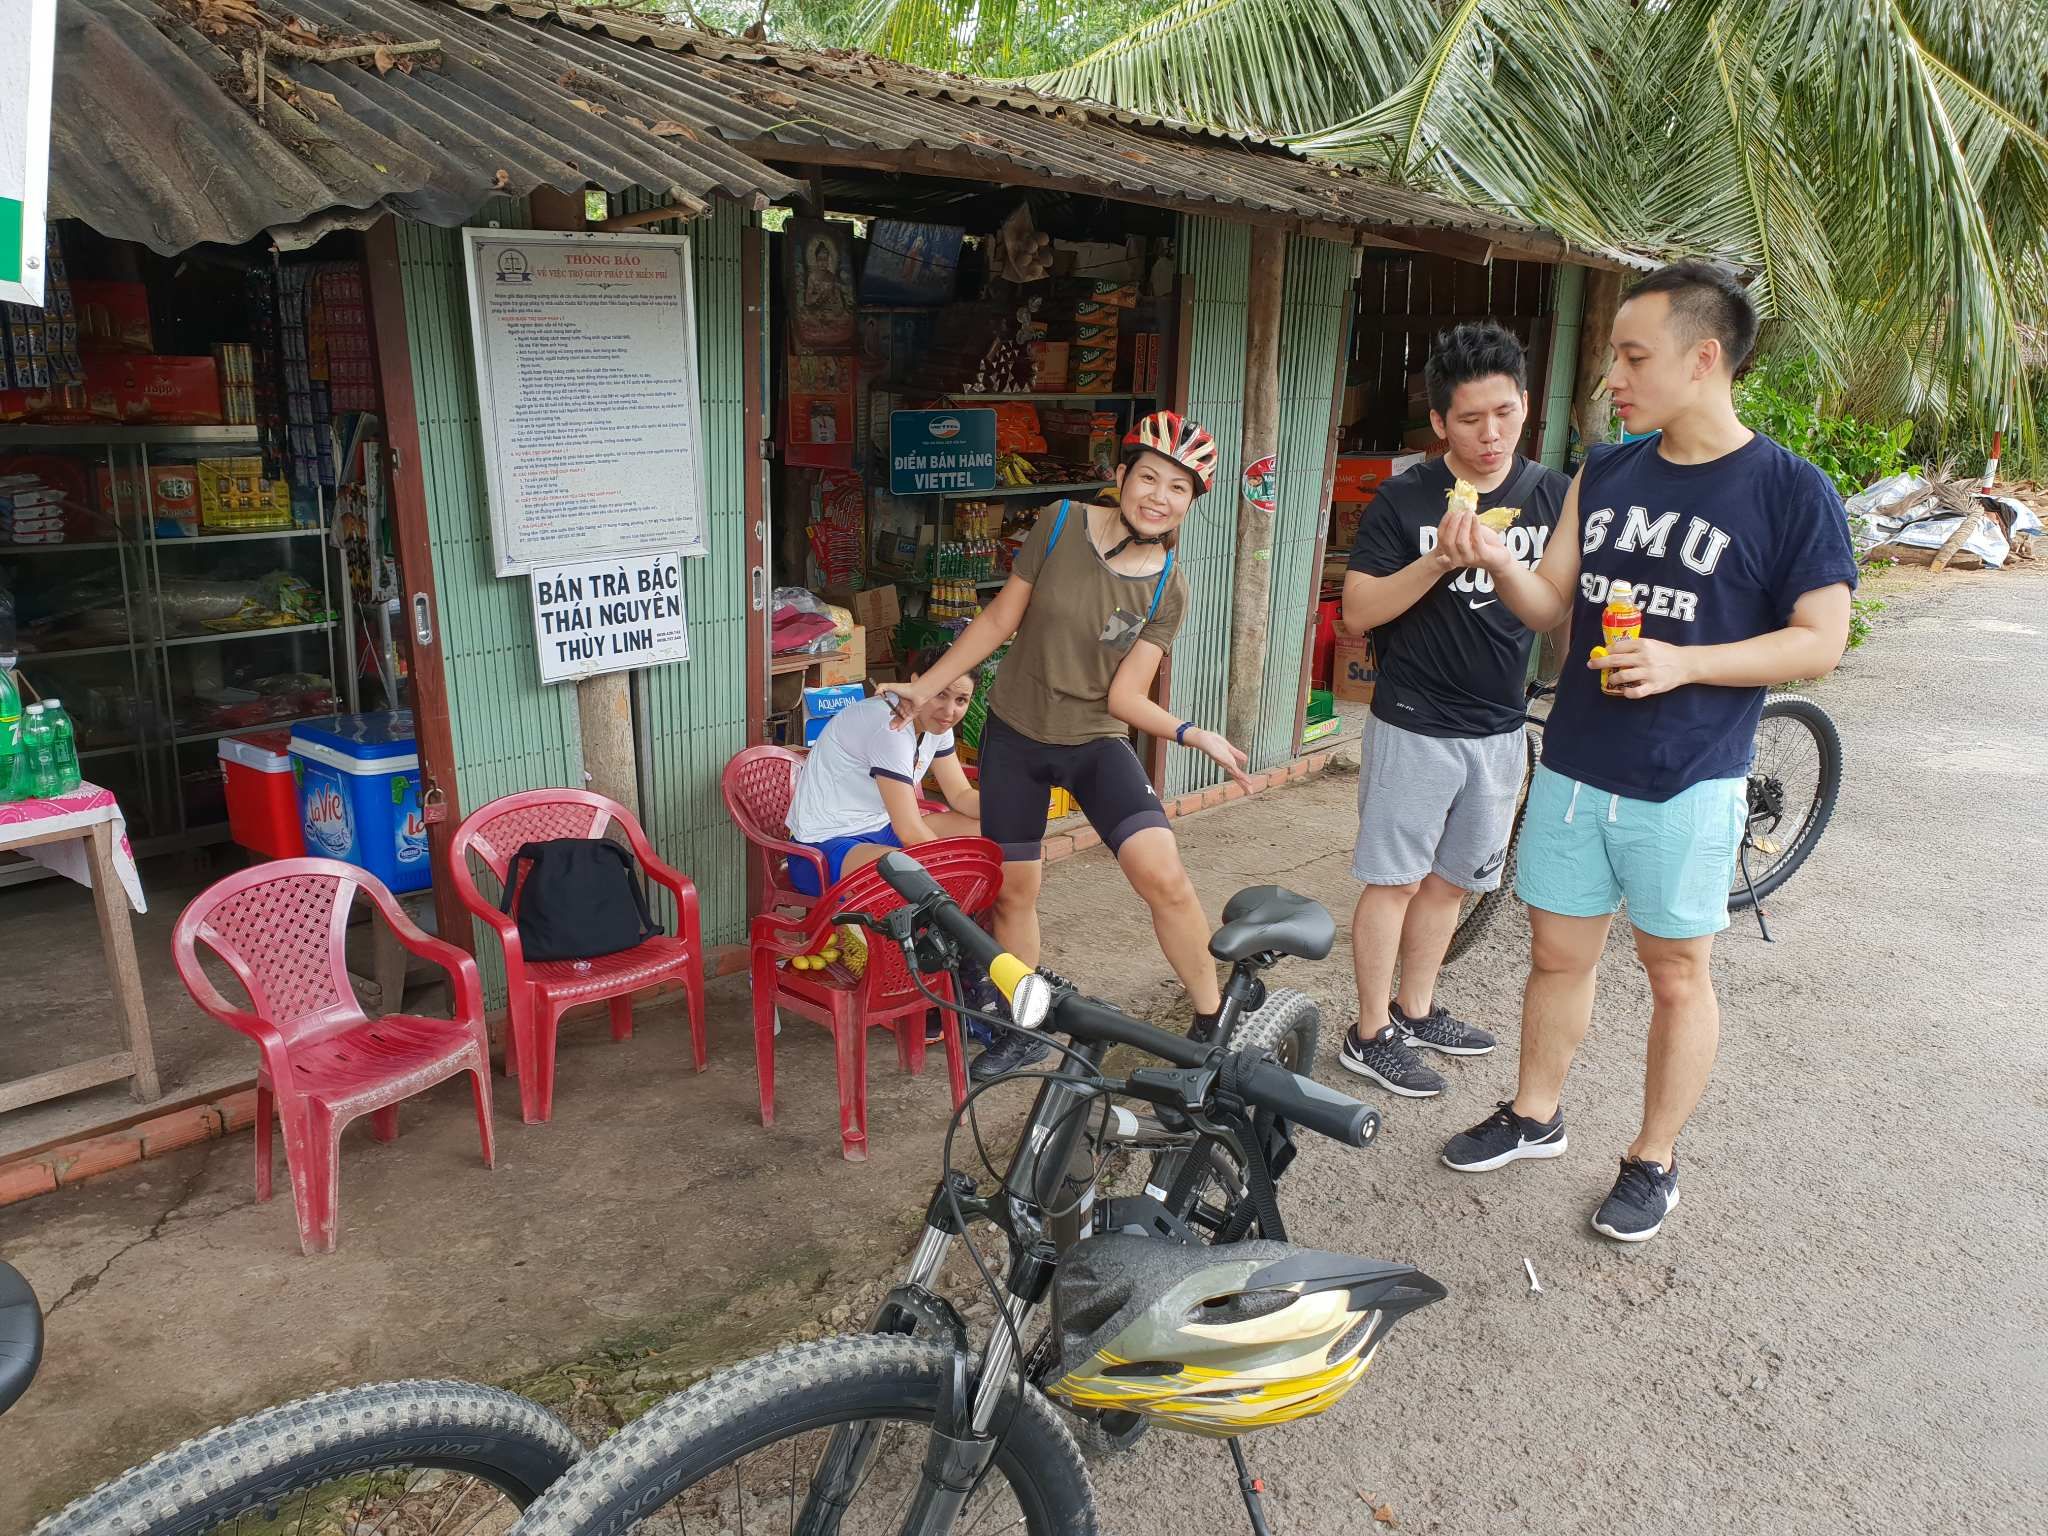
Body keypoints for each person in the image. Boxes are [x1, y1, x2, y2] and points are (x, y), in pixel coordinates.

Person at [1432, 261, 1856, 1242]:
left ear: (1702, 358)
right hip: (1578, 765)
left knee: (1675, 973)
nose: (1612, 377)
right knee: (1555, 955)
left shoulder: (1789, 492)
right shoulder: (1607, 470)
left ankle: (1650, 1159)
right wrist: (1497, 561)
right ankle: (1534, 1115)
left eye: (1632, 355)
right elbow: (1550, 609)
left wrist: (1684, 664)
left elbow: (1818, 642)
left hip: (1687, 777)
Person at [886, 411, 1254, 1080]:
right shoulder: (1058, 522)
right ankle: (1023, 1028)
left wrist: (1191, 731)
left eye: (1179, 488)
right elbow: (999, 619)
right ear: (1121, 476)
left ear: (1191, 504)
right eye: (1148, 477)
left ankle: (1213, 1026)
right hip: (1017, 739)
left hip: (1096, 741)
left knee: (1164, 875)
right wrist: (925, 690)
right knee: (1016, 893)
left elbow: (1126, 697)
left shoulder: (1168, 588)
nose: (1159, 496)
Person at [1338, 323, 1570, 1099]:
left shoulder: (1551, 495)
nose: (1491, 434)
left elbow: (1560, 605)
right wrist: (1437, 558)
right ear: (1440, 423)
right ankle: (1369, 1033)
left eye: (1505, 413)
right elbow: (1356, 614)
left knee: (1450, 882)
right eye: (1470, 419)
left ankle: (1417, 1006)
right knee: (1394, 881)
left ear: (1527, 406)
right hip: (1415, 721)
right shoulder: (1405, 498)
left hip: (1501, 728)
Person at [784, 649, 981, 897]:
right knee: (915, 877)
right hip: (825, 846)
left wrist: (1015, 812)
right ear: (916, 683)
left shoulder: (936, 725)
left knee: (992, 832)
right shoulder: (890, 725)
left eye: (961, 700)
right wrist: (957, 874)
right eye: (941, 694)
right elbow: (909, 831)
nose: (949, 711)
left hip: (884, 831)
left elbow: (961, 794)